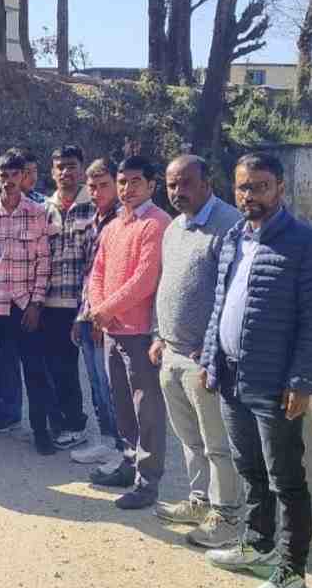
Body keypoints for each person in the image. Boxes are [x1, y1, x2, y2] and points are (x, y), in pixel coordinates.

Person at [200, 152, 312, 588]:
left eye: (260, 186)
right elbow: (221, 303)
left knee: (285, 477)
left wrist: (302, 380)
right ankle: (257, 543)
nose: (250, 195)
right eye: (243, 187)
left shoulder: (306, 243)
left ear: (280, 189)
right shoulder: (235, 236)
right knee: (249, 466)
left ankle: (292, 571)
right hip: (233, 375)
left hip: (275, 382)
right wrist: (211, 359)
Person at [148, 155, 243, 548]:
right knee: (190, 438)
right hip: (171, 353)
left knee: (217, 443)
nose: (177, 191)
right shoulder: (175, 227)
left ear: (207, 183)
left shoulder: (229, 225)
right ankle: (201, 501)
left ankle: (227, 516)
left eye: (185, 183)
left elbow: (233, 294)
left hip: (204, 359)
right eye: (171, 184)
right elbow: (166, 284)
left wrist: (212, 349)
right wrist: (158, 334)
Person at [87, 155, 171, 509]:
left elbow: (145, 279)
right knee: (121, 403)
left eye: (136, 181)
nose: (127, 188)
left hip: (139, 333)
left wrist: (105, 309)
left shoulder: (157, 223)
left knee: (146, 409)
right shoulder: (114, 226)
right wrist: (98, 308)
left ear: (152, 185)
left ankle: (147, 483)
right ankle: (128, 464)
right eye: (122, 182)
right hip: (112, 329)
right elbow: (97, 272)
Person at [0, 151, 55, 454]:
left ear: (23, 177)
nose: (8, 181)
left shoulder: (37, 213)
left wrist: (36, 304)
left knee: (34, 371)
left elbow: (44, 262)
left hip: (23, 306)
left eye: (14, 175)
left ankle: (41, 431)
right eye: (3, 175)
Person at [69, 159, 123, 470]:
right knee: (96, 383)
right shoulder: (92, 219)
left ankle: (123, 448)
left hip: (111, 318)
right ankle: (106, 440)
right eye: (92, 186)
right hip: (88, 312)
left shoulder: (122, 219)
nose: (97, 192)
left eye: (104, 185)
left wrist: (103, 317)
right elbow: (89, 274)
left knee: (113, 386)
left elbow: (116, 276)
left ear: (116, 184)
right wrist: (82, 316)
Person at [42, 145, 95, 450]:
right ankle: (61, 423)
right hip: (49, 304)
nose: (66, 172)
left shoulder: (95, 207)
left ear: (81, 169)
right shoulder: (44, 209)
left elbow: (95, 264)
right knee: (54, 368)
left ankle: (81, 425)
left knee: (86, 371)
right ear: (53, 172)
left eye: (71, 166)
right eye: (60, 167)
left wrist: (85, 309)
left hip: (81, 304)